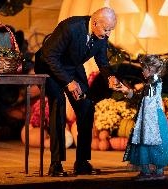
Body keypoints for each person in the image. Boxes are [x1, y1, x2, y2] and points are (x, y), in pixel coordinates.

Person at [34, 7, 118, 177]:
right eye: (106, 29)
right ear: (95, 23)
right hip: (49, 66)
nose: (108, 34)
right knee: (59, 105)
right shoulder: (70, 27)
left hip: (72, 67)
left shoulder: (101, 34)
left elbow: (102, 59)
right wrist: (68, 82)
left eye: (111, 30)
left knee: (86, 107)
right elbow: (49, 56)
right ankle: (55, 164)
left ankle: (82, 162)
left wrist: (109, 77)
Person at [113, 55, 168, 181]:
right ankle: (156, 171)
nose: (142, 71)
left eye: (144, 69)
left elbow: (146, 100)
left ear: (151, 69)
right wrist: (127, 90)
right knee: (152, 143)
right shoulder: (151, 82)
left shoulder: (152, 83)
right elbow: (141, 98)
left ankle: (149, 172)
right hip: (151, 117)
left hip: (151, 118)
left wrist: (130, 90)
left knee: (147, 142)